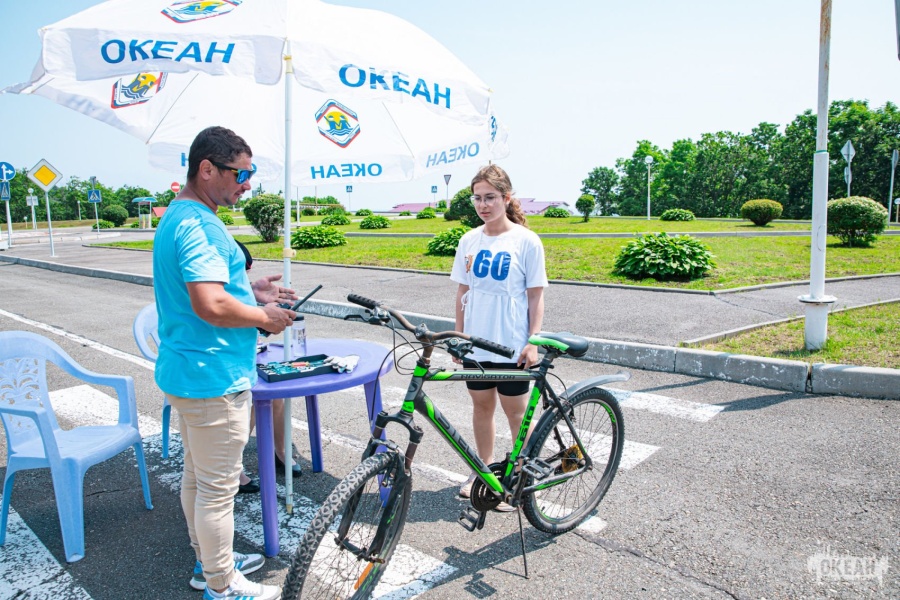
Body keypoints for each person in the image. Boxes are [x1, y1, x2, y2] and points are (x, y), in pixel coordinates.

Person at [153, 126, 295, 600]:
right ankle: (222, 584)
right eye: (241, 173)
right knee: (217, 490)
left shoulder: (179, 215)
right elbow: (210, 304)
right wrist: (264, 317)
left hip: (186, 371)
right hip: (213, 376)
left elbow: (207, 290)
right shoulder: (199, 224)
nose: (248, 183)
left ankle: (208, 563)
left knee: (198, 479)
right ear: (207, 169)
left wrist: (249, 292)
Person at [449, 164, 548, 512]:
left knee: (516, 414)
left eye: (490, 197)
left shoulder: (526, 241)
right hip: (477, 344)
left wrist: (533, 341)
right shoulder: (468, 240)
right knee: (481, 407)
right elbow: (463, 290)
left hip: (511, 345)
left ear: (506, 198)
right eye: (477, 198)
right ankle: (484, 472)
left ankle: (520, 478)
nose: (483, 205)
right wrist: (459, 336)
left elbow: (535, 296)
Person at [234, 240, 303, 495]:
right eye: (240, 273)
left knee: (275, 394)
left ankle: (280, 450)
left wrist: (252, 295)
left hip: (239, 356)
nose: (244, 279)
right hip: (215, 369)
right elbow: (216, 308)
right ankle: (232, 465)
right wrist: (262, 316)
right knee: (256, 395)